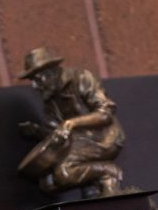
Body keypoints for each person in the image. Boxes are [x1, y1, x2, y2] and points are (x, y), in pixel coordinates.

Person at [17, 46, 125, 198]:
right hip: (77, 144)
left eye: (38, 79)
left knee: (64, 172)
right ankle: (94, 183)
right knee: (47, 183)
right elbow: (57, 136)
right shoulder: (50, 100)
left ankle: (108, 172)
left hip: (104, 138)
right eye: (32, 81)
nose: (35, 86)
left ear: (51, 72)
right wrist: (37, 132)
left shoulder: (81, 78)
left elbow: (106, 114)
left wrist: (71, 123)